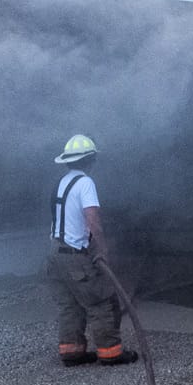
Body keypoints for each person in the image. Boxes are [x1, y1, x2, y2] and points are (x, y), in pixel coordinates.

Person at [46, 133, 137, 367]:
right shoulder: (85, 183)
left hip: (56, 254)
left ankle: (72, 352)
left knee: (70, 305)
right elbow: (92, 218)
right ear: (90, 160)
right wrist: (101, 249)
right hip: (75, 254)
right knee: (100, 301)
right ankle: (111, 353)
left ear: (67, 160)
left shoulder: (62, 181)